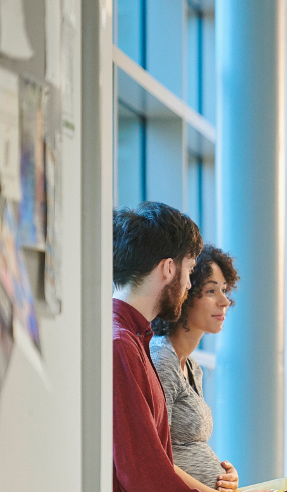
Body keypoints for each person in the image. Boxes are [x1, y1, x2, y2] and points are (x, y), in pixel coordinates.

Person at [112, 201, 202, 492]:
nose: (189, 285)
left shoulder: (132, 339)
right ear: (168, 269)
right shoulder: (121, 345)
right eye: (189, 270)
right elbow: (145, 476)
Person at [150, 245, 242, 492]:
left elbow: (187, 448)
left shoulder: (192, 367)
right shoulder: (162, 358)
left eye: (224, 290)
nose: (224, 301)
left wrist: (225, 476)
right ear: (185, 294)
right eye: (211, 291)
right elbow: (156, 456)